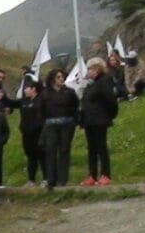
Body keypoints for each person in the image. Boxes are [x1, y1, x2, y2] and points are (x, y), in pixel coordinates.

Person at [40, 68, 81, 190]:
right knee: (51, 151)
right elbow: (41, 110)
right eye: (58, 77)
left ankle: (63, 179)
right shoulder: (45, 93)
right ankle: (51, 179)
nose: (61, 79)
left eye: (62, 76)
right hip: (51, 125)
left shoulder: (69, 92)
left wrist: (75, 121)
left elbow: (75, 106)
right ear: (52, 79)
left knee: (64, 150)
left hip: (67, 125)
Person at [80, 58, 119, 186]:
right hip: (89, 121)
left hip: (100, 119)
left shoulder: (104, 81)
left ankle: (105, 174)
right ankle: (92, 175)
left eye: (90, 69)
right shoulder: (92, 84)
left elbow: (111, 100)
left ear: (96, 69)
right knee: (91, 148)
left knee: (101, 147)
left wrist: (110, 115)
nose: (88, 71)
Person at [18, 80, 47, 186]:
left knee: (42, 155)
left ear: (33, 89)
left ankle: (46, 179)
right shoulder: (24, 101)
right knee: (31, 156)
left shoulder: (41, 101)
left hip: (39, 133)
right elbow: (12, 103)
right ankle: (31, 180)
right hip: (26, 133)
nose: (25, 90)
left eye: (27, 88)